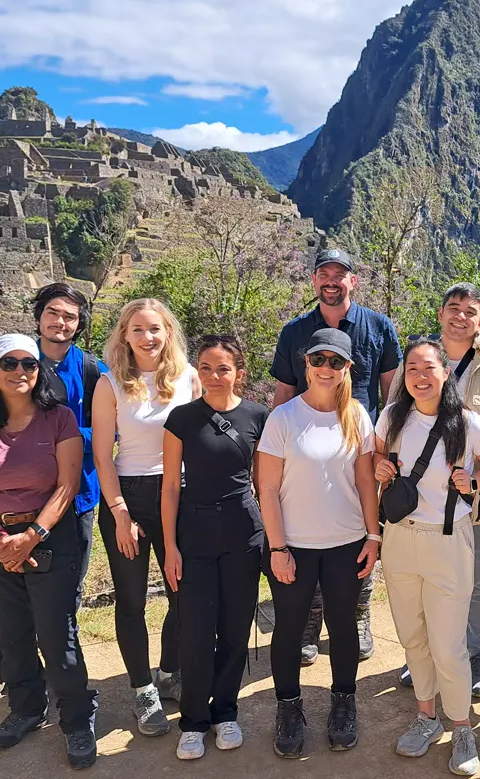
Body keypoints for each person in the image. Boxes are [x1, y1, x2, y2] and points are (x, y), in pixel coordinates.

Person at [0, 334, 98, 769]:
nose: (20, 371)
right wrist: (2, 543)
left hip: (50, 537)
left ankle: (76, 717)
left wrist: (30, 535)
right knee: (11, 631)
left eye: (29, 364)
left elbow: (67, 484)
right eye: (9, 364)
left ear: (40, 371)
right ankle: (27, 709)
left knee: (57, 633)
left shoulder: (59, 418)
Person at [375, 339, 480, 776]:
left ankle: (461, 726)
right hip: (400, 540)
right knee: (413, 637)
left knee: (449, 647)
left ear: (444, 373)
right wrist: (380, 468)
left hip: (449, 540)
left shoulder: (468, 424)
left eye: (428, 367)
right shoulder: (392, 418)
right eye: (411, 368)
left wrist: (472, 481)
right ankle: (426, 716)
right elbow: (377, 455)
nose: (419, 375)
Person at [0, 281, 108, 708]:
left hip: (74, 497)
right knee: (6, 594)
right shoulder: (14, 360)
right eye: (53, 312)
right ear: (39, 316)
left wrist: (60, 438)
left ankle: (60, 674)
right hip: (10, 501)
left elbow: (109, 428)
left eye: (70, 316)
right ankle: (2, 667)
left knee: (63, 592)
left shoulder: (93, 371)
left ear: (79, 324)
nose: (60, 322)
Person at [270, 247, 401, 665]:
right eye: (322, 274)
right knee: (307, 534)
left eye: (338, 274)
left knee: (362, 533)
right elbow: (285, 394)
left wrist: (390, 454)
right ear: (314, 281)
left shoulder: (379, 327)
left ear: (353, 280)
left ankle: (359, 615)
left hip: (362, 447)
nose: (330, 281)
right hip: (307, 444)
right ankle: (310, 621)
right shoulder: (294, 332)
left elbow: (393, 395)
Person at [257, 328, 381, 758]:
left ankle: (343, 703)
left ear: (348, 368)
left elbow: (366, 480)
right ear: (305, 364)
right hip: (294, 544)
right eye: (318, 359)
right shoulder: (284, 418)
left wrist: (373, 534)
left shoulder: (358, 416)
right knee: (289, 629)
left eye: (336, 361)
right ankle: (289, 708)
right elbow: (267, 489)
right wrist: (277, 547)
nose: (326, 368)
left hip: (347, 543)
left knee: (344, 626)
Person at [393, 283, 480, 699]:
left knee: (479, 579)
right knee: (426, 578)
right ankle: (428, 656)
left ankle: (477, 653)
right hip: (423, 502)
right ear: (440, 313)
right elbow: (395, 423)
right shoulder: (416, 361)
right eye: (453, 308)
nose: (460, 316)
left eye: (470, 311)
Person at [92, 298, 198, 737]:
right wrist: (119, 513)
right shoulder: (110, 383)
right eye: (137, 329)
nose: (147, 337)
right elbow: (101, 455)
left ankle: (171, 672)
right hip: (129, 496)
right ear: (124, 335)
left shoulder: (189, 377)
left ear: (168, 332)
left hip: (182, 494)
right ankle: (142, 690)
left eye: (155, 329)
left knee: (182, 592)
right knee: (132, 600)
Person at [161, 335, 269, 760]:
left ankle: (226, 712)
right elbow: (170, 487)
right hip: (195, 534)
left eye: (222, 368)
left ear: (238, 372)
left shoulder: (259, 417)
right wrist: (170, 547)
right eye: (205, 367)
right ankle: (193, 721)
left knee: (236, 627)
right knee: (196, 630)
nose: (213, 376)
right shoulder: (182, 419)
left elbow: (265, 484)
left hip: (244, 533)